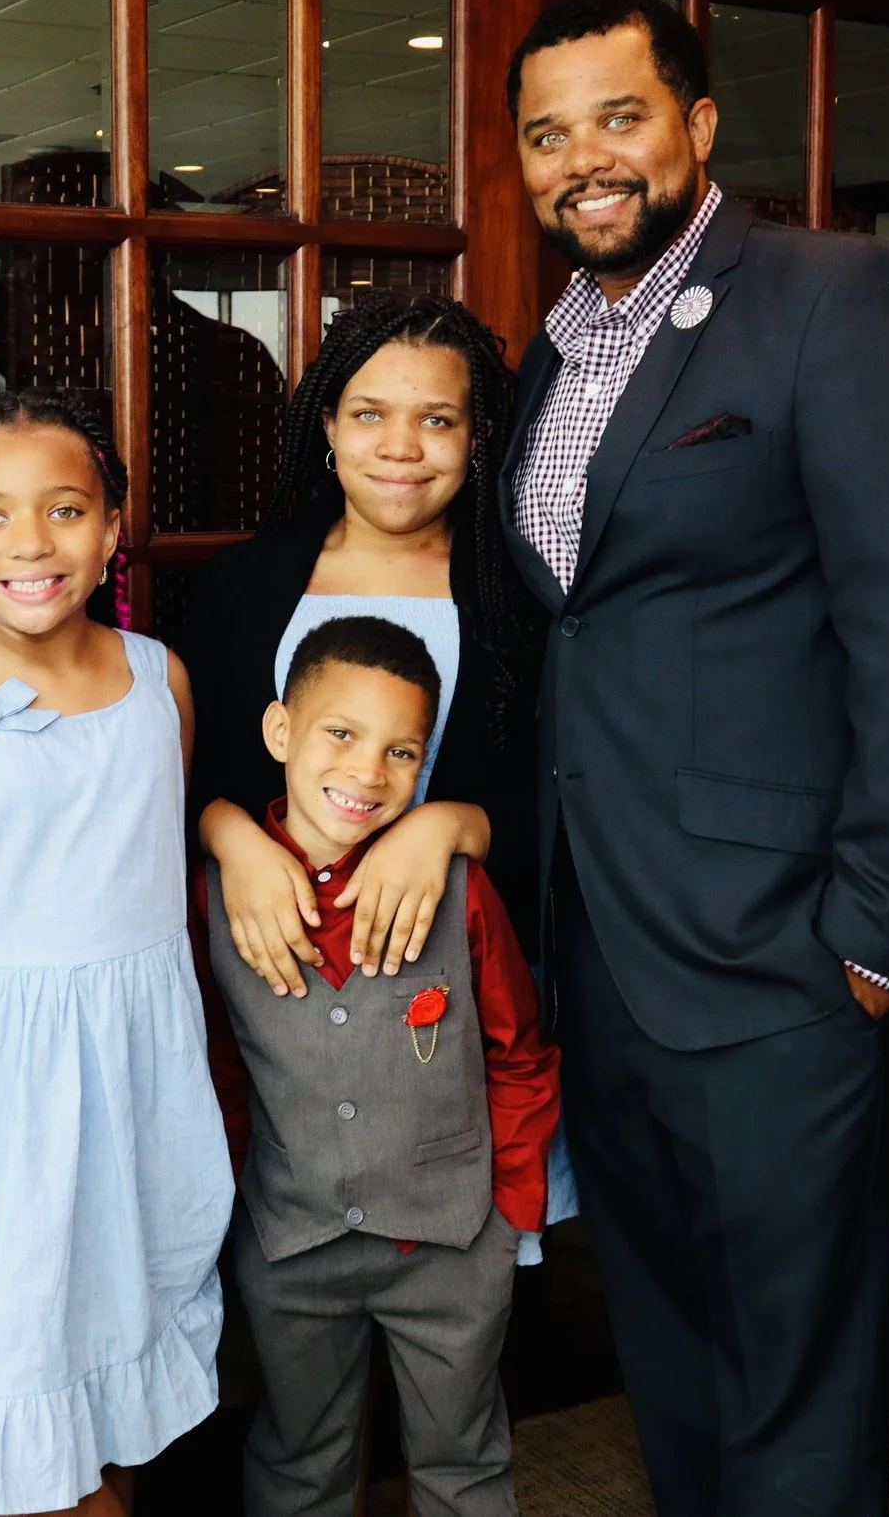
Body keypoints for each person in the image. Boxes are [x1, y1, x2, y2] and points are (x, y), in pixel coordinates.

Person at [501, 0, 889, 1515]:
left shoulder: (833, 298)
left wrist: (877, 929)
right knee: (671, 1342)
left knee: (798, 1375)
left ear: (698, 126)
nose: (584, 158)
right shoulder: (555, 348)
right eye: (547, 133)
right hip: (602, 936)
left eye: (619, 115)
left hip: (784, 945)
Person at [0, 393, 234, 1516]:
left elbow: (158, 897)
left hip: (136, 1086)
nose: (28, 542)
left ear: (112, 525)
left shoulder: (159, 677)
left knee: (109, 1390)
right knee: (20, 1393)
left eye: (64, 508)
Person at [194, 616, 560, 1517]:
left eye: (402, 751)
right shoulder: (216, 900)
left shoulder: (462, 893)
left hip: (451, 1245)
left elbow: (518, 1053)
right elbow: (218, 1071)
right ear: (282, 732)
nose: (367, 773)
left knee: (461, 1454)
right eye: (342, 735)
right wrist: (233, 1214)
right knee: (299, 1455)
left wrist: (512, 1212)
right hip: (291, 1246)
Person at [185, 293, 543, 992]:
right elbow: (190, 776)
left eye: (437, 420)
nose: (400, 447)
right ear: (329, 422)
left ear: (477, 436)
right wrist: (232, 840)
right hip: (269, 964)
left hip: (455, 969)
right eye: (369, 414)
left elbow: (554, 797)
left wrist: (449, 825)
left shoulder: (516, 597)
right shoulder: (243, 584)